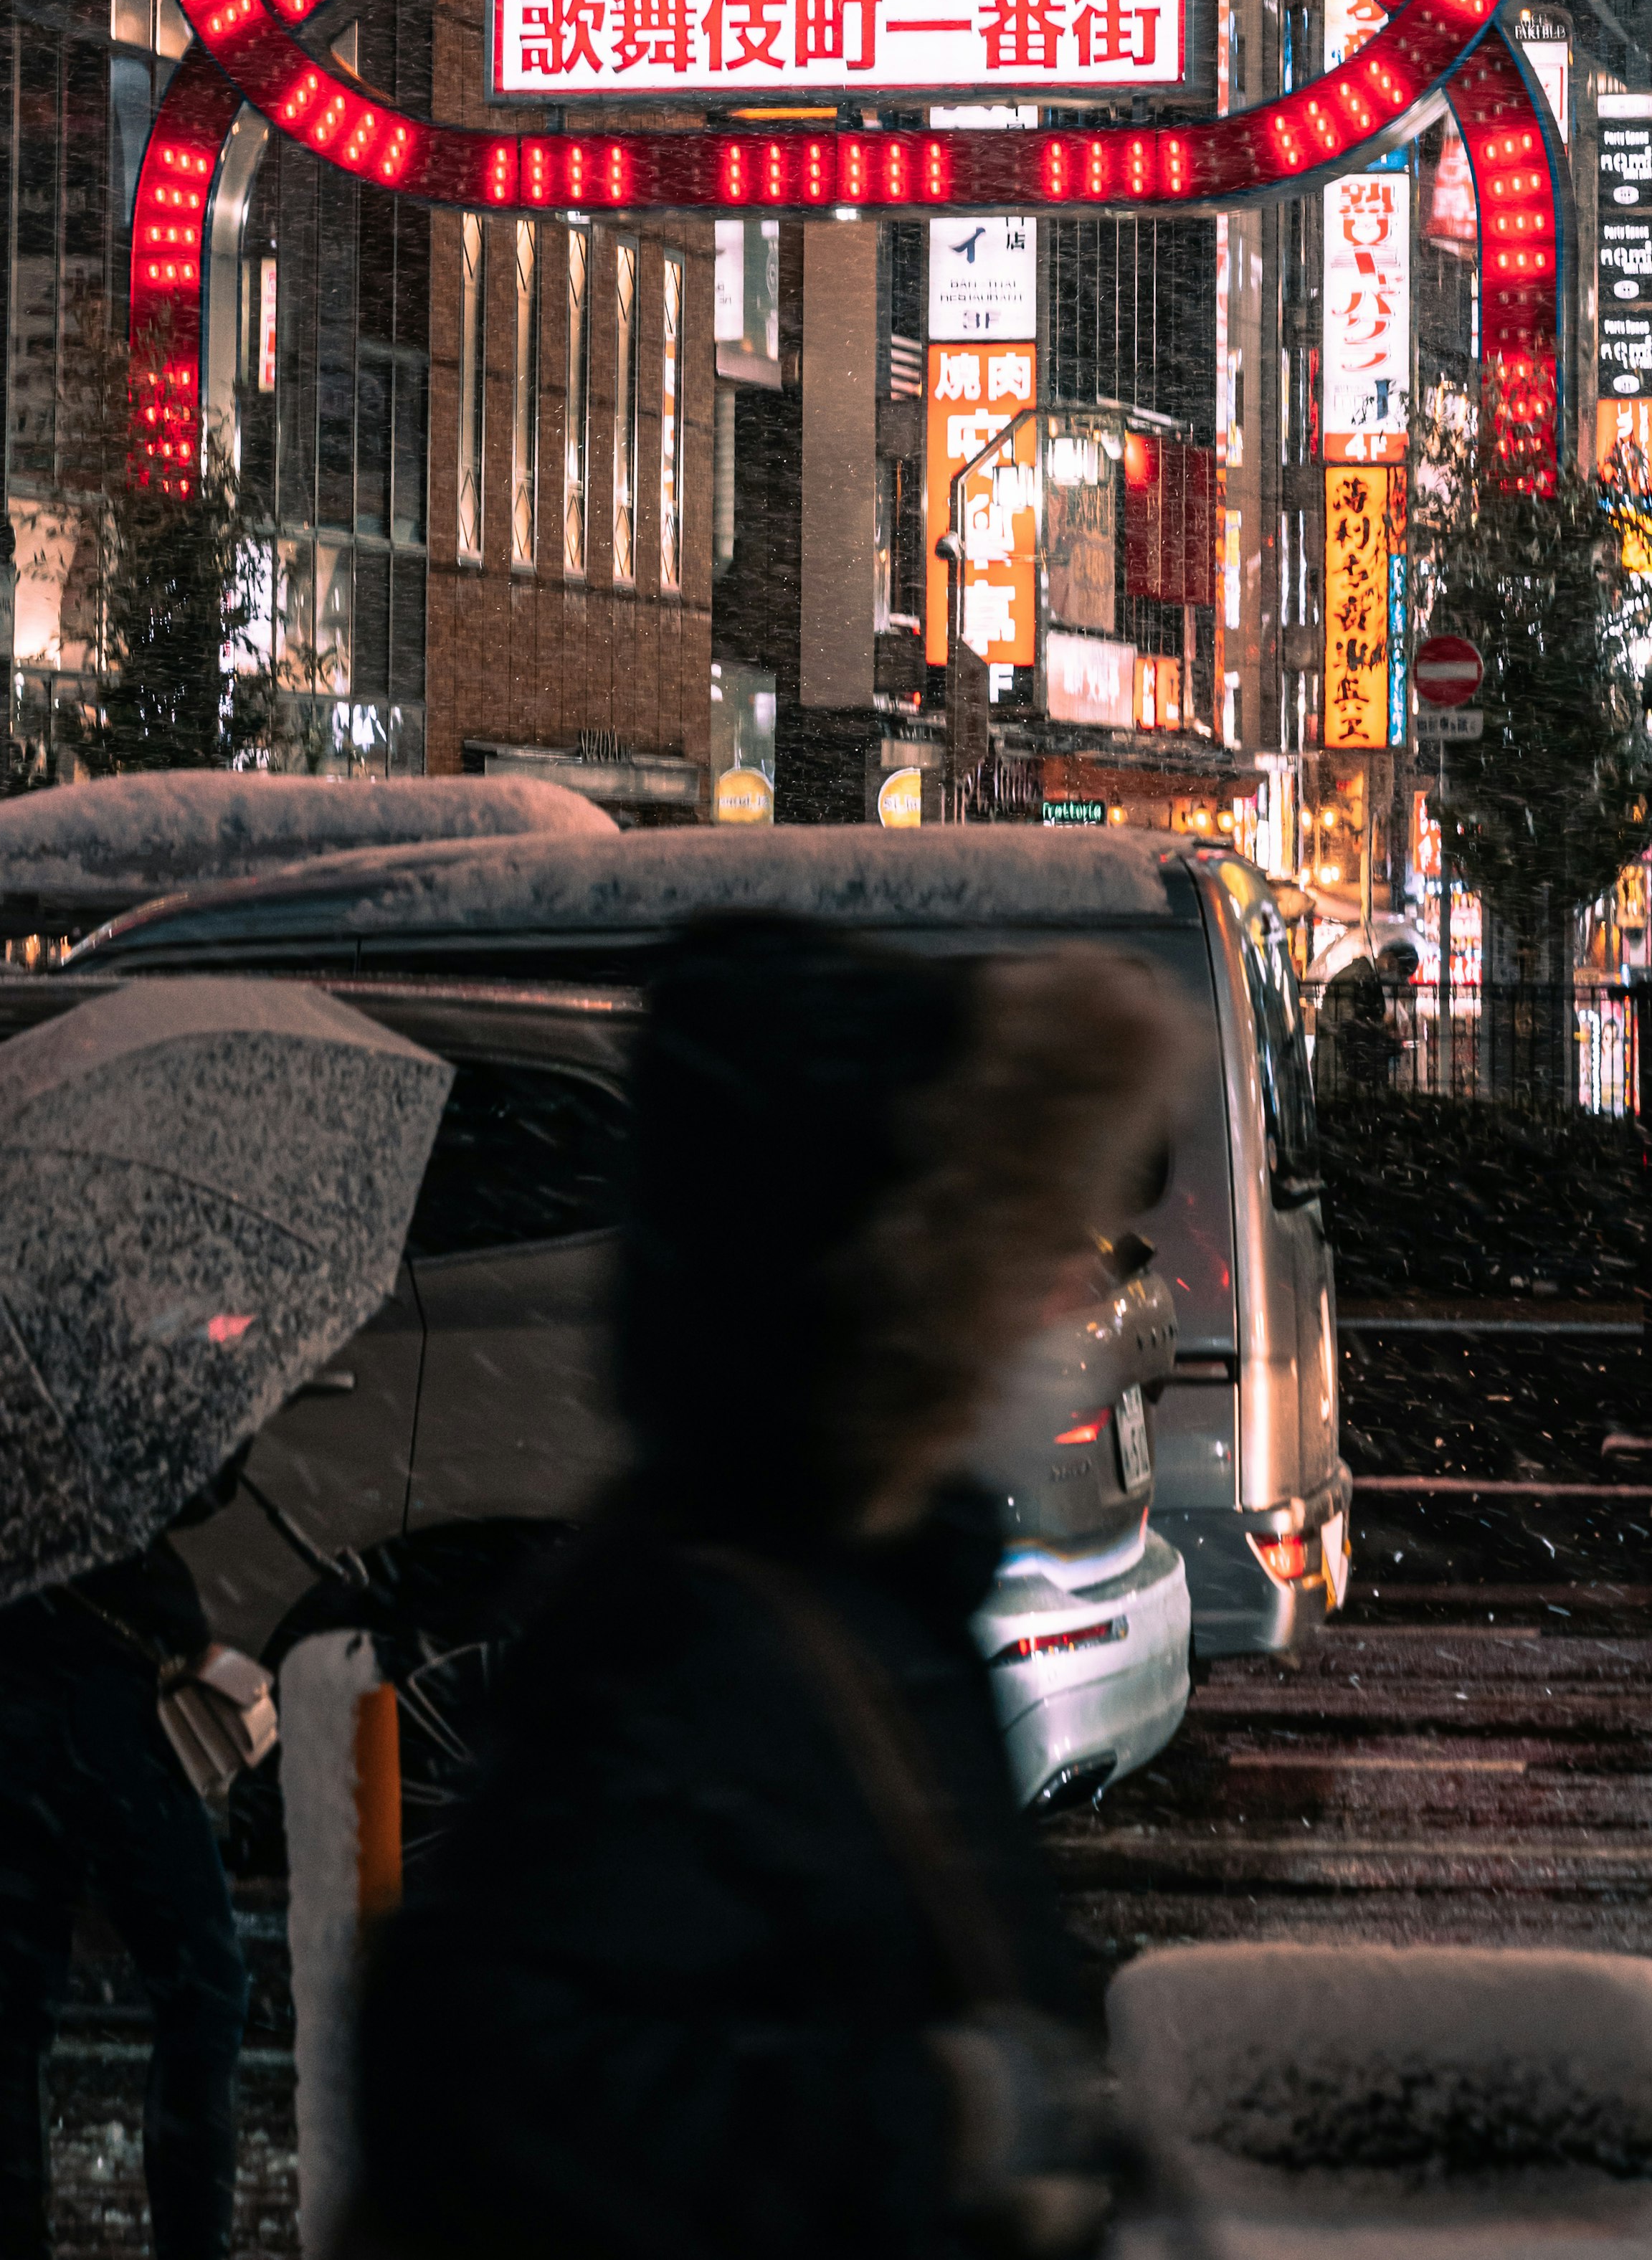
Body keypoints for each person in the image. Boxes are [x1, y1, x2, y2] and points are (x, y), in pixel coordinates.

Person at [353, 912, 1188, 2260]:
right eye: (1011, 1255)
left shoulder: (876, 1578)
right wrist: (944, 2116)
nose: (1062, 1298)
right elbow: (494, 2080)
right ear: (891, 1294)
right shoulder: (699, 1635)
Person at [0, 1471, 254, 2260]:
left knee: (13, 2001)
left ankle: (18, 2243)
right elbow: (185, 1487)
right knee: (203, 1987)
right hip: (100, 1686)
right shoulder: (81, 1359)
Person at [1312, 931, 1421, 1101]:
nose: (1399, 983)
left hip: (1346, 1076)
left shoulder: (1365, 978)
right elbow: (1350, 1028)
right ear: (1391, 962)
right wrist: (1387, 1038)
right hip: (1341, 1077)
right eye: (1401, 975)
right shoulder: (1358, 978)